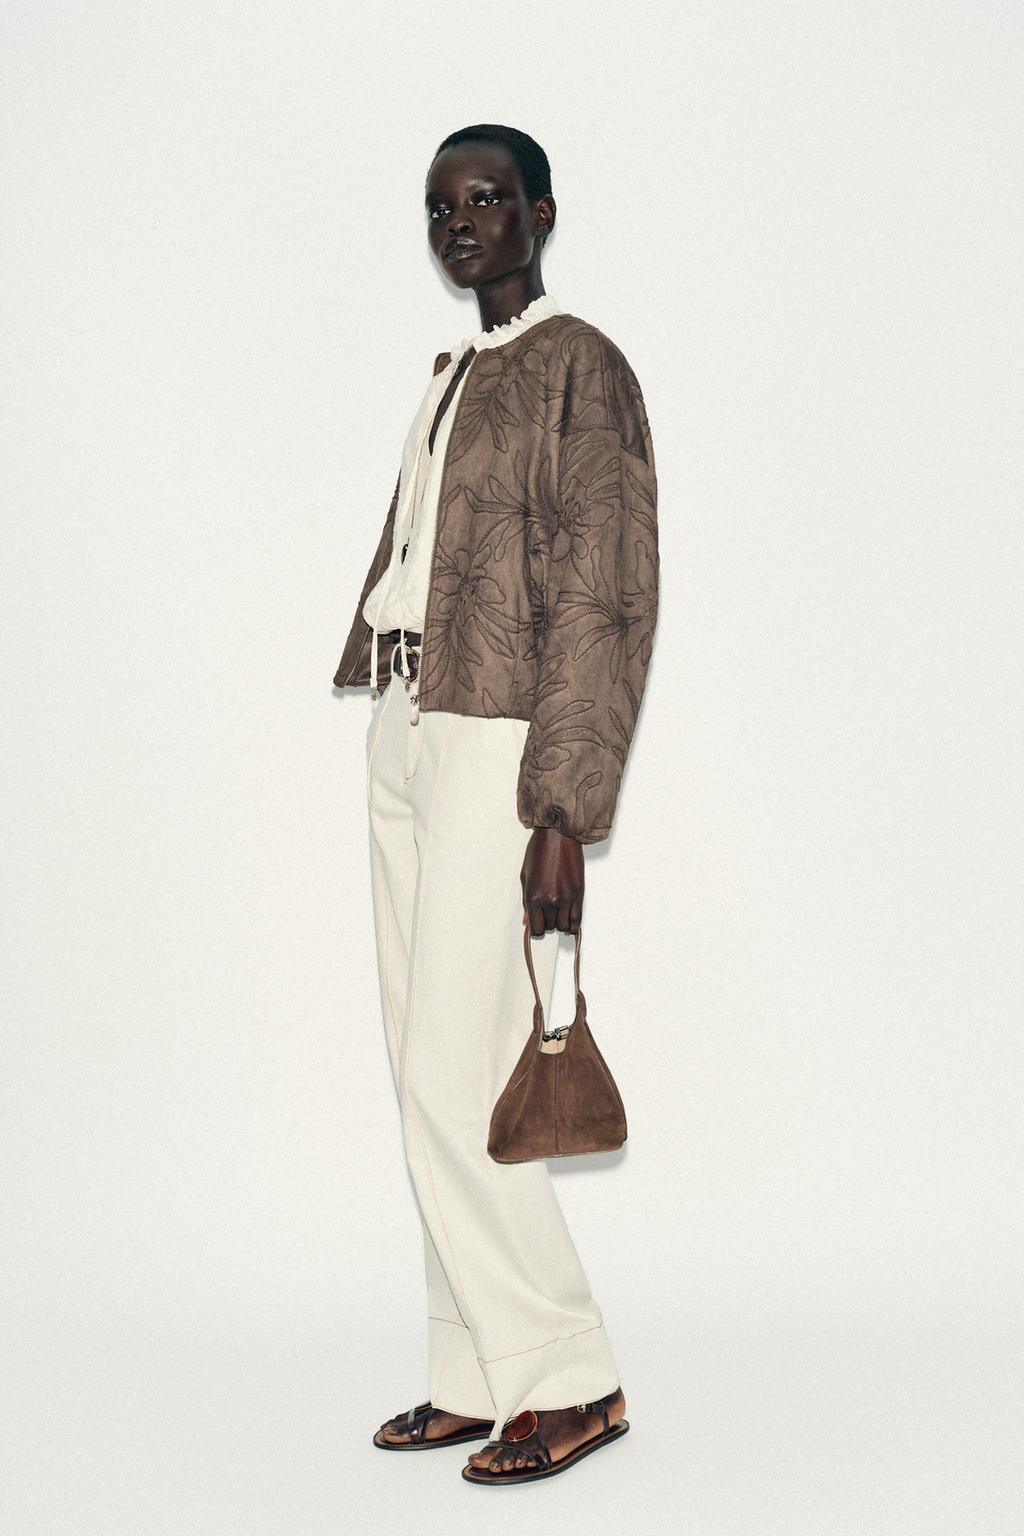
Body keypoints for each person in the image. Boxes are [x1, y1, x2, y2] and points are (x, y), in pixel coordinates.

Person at [331, 123, 659, 1485]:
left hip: (499, 736)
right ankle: (473, 1370)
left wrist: (561, 811)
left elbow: (606, 594)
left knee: (448, 1067)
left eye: (486, 198)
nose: (459, 222)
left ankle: (569, 1375)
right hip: (409, 716)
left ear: (541, 213)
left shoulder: (582, 365)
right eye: (440, 206)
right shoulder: (455, 370)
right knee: (426, 1059)